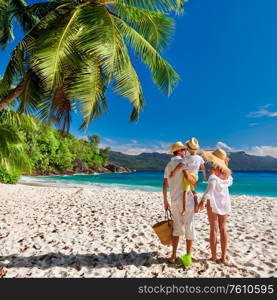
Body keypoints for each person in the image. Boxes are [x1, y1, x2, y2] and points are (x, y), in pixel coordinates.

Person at [163, 141, 198, 264]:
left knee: (177, 228)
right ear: (178, 151)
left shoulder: (168, 165)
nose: (185, 152)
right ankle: (188, 256)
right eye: (183, 150)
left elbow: (165, 184)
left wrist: (165, 201)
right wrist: (195, 182)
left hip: (174, 200)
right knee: (189, 226)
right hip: (186, 200)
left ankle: (173, 256)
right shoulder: (183, 163)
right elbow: (188, 178)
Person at [198, 149, 233, 264]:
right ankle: (223, 257)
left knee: (213, 229)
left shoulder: (213, 172)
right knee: (223, 228)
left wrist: (202, 201)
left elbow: (210, 188)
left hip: (213, 202)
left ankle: (213, 257)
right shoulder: (227, 174)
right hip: (224, 201)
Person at [169, 137, 207, 216]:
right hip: (196, 176)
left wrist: (173, 172)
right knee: (193, 191)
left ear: (188, 149)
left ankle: (184, 209)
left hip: (188, 176)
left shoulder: (186, 158)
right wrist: (204, 177)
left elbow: (180, 166)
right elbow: (203, 168)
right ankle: (196, 205)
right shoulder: (200, 158)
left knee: (185, 192)